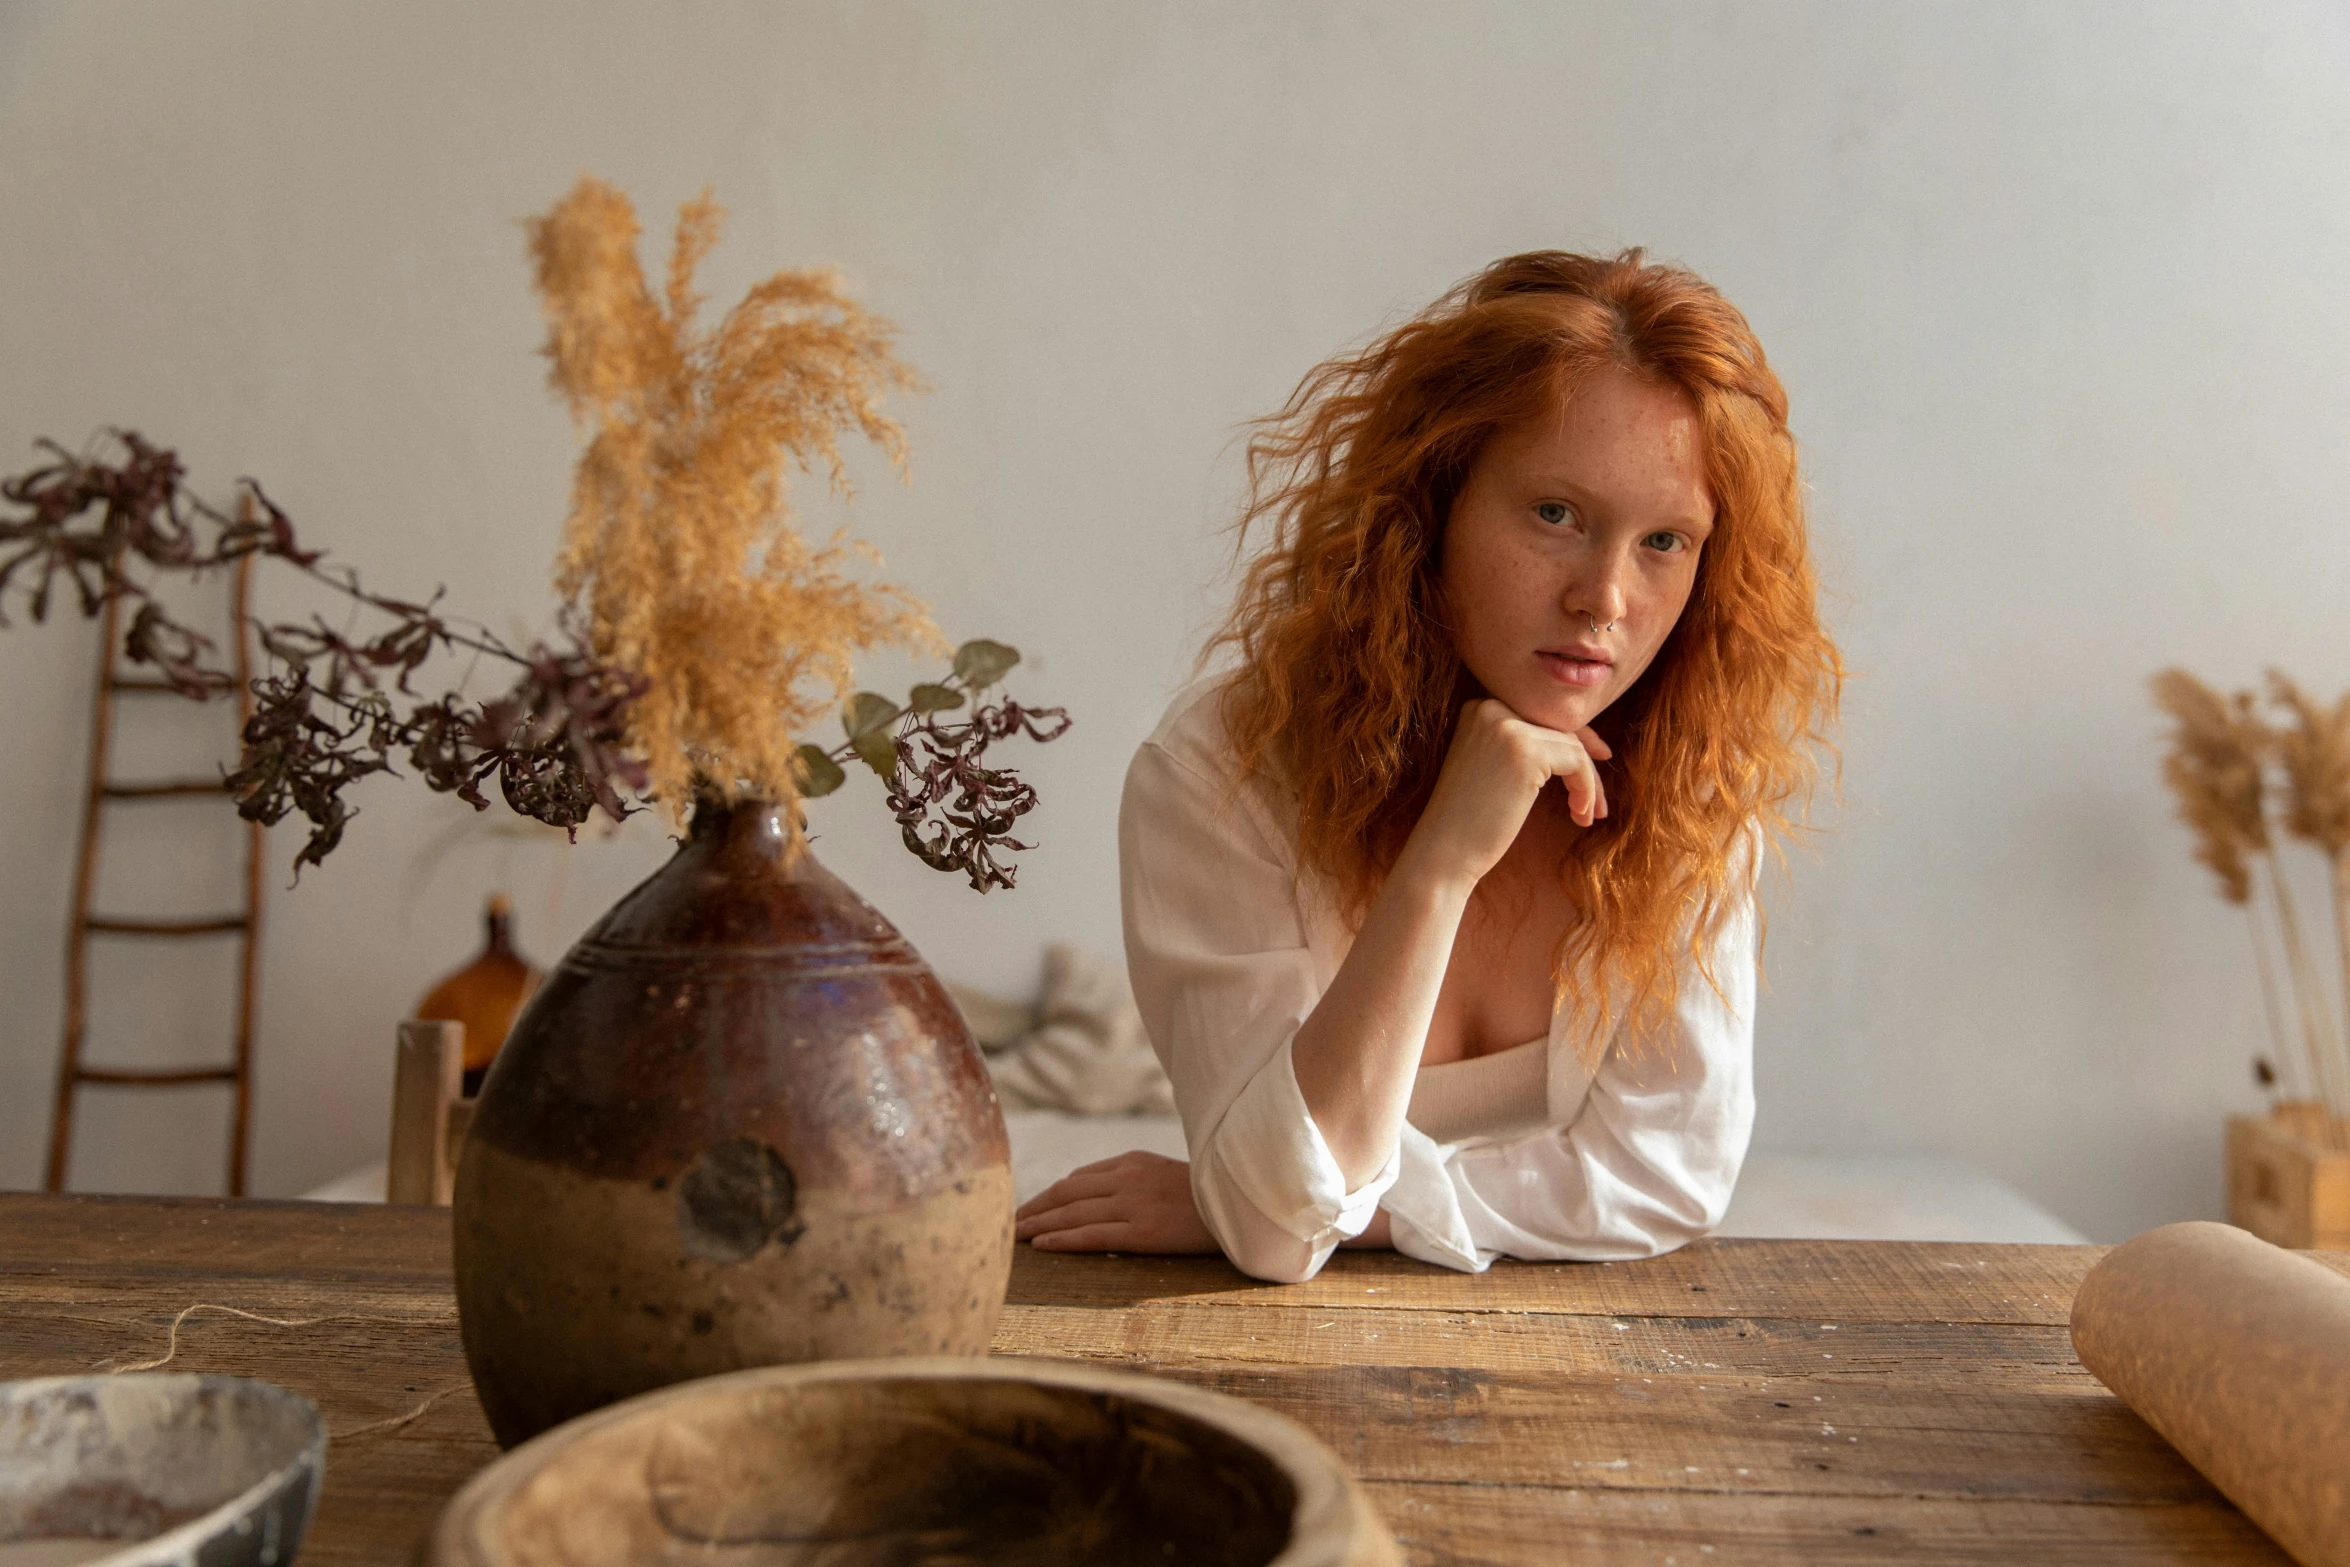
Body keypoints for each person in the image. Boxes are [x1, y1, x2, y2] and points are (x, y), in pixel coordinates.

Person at [1015, 251, 1841, 1282]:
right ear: (1429, 507)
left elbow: (1666, 1177)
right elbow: (1277, 1237)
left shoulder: (1689, 792)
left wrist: (1296, 1200)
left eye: (1664, 540)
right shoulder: (1222, 772)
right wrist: (1439, 866)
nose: (1605, 599)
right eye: (1555, 515)